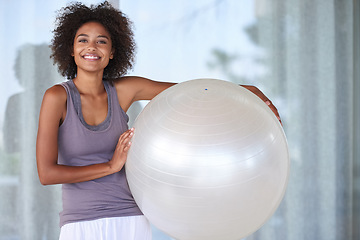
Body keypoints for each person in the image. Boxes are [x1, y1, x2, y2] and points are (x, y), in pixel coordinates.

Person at [36, 2, 281, 240]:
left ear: (112, 52)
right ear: (71, 49)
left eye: (101, 41)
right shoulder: (58, 97)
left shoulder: (124, 90)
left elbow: (192, 91)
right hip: (80, 222)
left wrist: (248, 90)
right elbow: (47, 174)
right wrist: (111, 166)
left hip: (130, 218)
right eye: (83, 40)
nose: (92, 47)